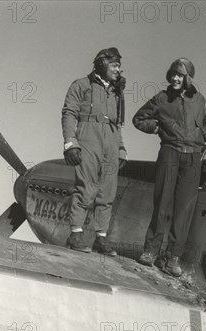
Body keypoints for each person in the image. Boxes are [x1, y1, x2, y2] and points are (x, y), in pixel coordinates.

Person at [132, 58, 206, 277]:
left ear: (188, 78)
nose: (175, 78)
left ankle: (172, 258)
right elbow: (138, 119)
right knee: (163, 204)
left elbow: (203, 130)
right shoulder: (162, 98)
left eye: (179, 75)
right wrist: (157, 128)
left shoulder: (199, 100)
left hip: (192, 159)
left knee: (184, 211)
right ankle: (151, 251)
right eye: (172, 74)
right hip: (170, 153)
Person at [62, 47, 127, 256]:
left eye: (119, 66)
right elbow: (69, 113)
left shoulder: (116, 92)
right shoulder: (80, 85)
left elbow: (117, 123)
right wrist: (70, 142)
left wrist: (121, 147)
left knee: (107, 191)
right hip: (89, 136)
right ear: (102, 64)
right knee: (86, 187)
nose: (119, 70)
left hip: (110, 139)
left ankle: (101, 238)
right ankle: (76, 234)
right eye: (115, 65)